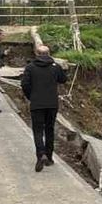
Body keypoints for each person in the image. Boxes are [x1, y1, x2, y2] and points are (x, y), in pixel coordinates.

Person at [20, 43, 67, 172]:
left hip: (37, 104)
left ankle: (40, 155)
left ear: (36, 54)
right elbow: (63, 79)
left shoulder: (30, 67)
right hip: (52, 104)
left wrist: (31, 96)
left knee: (38, 131)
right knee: (49, 130)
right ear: (49, 54)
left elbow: (24, 84)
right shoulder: (55, 66)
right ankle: (49, 158)